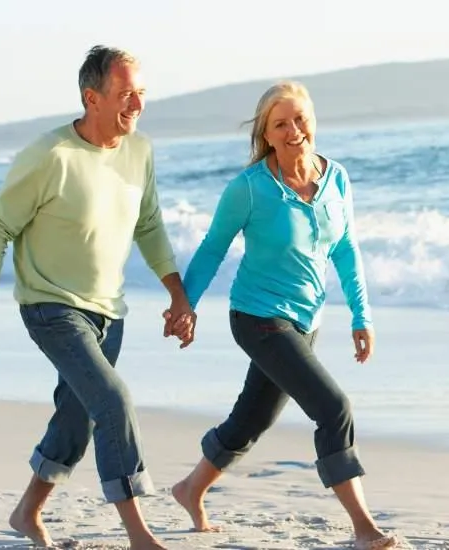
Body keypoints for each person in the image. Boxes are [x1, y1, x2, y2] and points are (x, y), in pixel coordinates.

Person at [0, 45, 194, 550]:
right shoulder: (49, 156)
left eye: (142, 94)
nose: (136, 104)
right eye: (125, 94)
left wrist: (178, 295)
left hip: (109, 310)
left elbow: (149, 224)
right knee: (112, 401)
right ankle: (139, 535)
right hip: (50, 306)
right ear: (92, 97)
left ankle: (27, 511)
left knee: (78, 412)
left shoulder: (140, 151)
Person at [168, 81, 398, 550]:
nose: (294, 130)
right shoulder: (249, 189)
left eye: (300, 119)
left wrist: (362, 315)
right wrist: (184, 304)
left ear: (313, 121)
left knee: (252, 419)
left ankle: (190, 489)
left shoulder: (336, 178)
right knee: (334, 410)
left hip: (306, 321)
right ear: (266, 135)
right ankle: (363, 528)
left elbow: (347, 248)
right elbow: (213, 248)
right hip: (257, 317)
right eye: (281, 124)